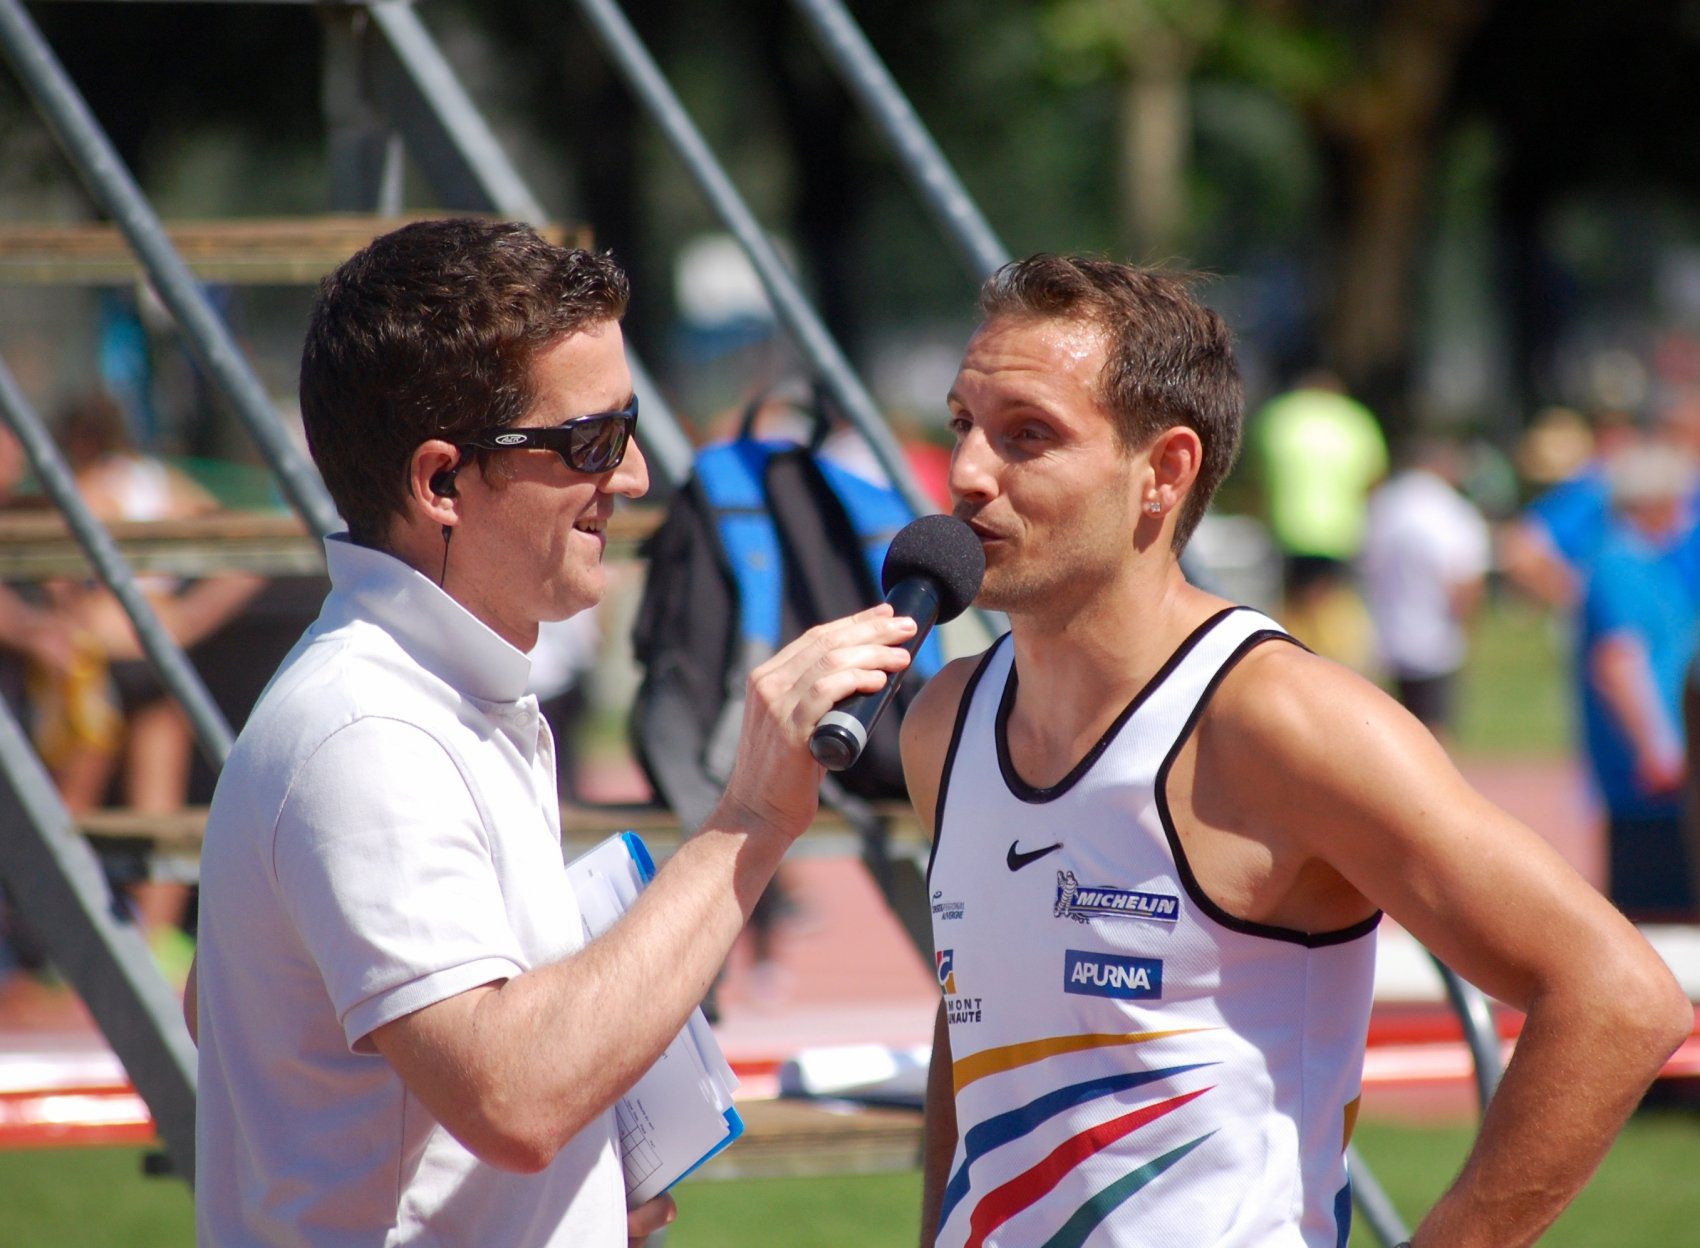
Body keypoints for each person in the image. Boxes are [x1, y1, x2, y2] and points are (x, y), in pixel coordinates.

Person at [903, 255, 1690, 1248]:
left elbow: (1618, 999)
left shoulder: (1275, 720)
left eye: (1028, 436)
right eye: (961, 426)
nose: (966, 473)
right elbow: (972, 1023)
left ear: (1165, 471)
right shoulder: (945, 720)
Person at [187, 218, 918, 1246]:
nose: (628, 479)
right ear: (440, 483)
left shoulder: (425, 694)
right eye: (589, 442)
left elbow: (235, 1013)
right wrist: (751, 817)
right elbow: (516, 1099)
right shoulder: (370, 734)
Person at [1580, 441, 1700, 919]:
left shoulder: (1645, 562)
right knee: (1660, 920)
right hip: (1649, 784)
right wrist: (1659, 749)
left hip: (1661, 776)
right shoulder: (1619, 563)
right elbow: (1618, 662)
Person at [1249, 368, 1386, 669]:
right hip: (1339, 528)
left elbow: (1258, 474)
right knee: (1331, 599)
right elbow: (1374, 478)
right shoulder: (1354, 419)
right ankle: (1335, 661)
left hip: (1288, 524)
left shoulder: (1278, 416)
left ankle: (1289, 658)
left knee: (1294, 599)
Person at [1358, 436, 1492, 738]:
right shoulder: (1451, 510)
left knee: (1389, 729)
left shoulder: (1385, 505)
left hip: (1386, 634)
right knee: (1433, 732)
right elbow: (1465, 580)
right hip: (1435, 636)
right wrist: (1467, 625)